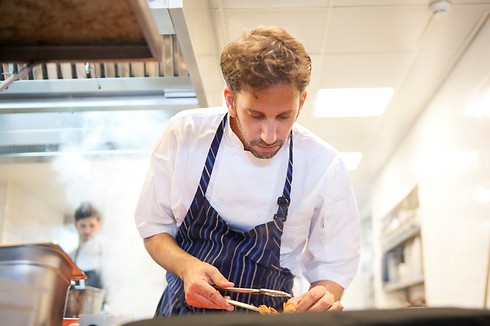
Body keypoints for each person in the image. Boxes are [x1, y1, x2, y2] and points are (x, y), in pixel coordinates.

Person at [134, 25, 361, 316]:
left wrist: (321, 301)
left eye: (284, 116)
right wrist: (186, 266)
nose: (269, 134)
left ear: (301, 102)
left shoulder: (323, 164)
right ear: (230, 100)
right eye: (255, 116)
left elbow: (335, 266)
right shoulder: (186, 133)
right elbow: (153, 228)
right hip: (181, 317)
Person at [69, 202, 104, 289]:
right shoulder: (70, 258)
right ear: (76, 225)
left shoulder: (108, 254)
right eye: (83, 225)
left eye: (92, 225)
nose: (87, 231)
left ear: (99, 224)